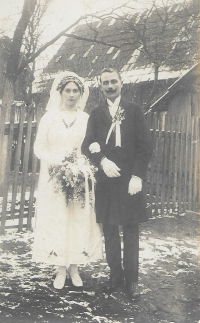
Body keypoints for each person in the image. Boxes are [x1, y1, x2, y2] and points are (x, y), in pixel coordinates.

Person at [81, 67, 153, 300]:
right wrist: (101, 161)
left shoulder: (134, 111)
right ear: (100, 86)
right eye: (105, 83)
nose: (110, 86)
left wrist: (137, 176)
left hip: (129, 180)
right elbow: (87, 145)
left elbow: (145, 147)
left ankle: (131, 280)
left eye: (113, 82)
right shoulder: (96, 113)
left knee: (131, 230)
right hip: (107, 181)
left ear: (121, 83)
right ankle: (115, 278)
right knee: (110, 231)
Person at [32, 71, 103, 290]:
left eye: (76, 91)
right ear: (60, 92)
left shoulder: (86, 119)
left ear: (81, 94)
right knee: (58, 219)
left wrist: (81, 166)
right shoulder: (49, 118)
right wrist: (58, 162)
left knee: (77, 219)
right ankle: (60, 268)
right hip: (54, 177)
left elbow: (91, 146)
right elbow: (39, 147)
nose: (71, 95)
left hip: (79, 176)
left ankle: (74, 266)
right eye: (68, 90)